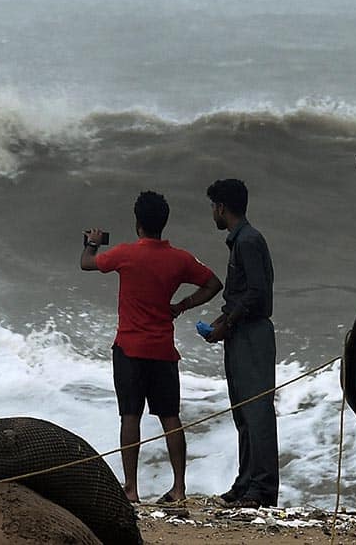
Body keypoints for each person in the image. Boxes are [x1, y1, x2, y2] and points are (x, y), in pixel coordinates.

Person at [81, 190, 222, 504]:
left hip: (130, 349)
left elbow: (86, 264)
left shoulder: (125, 254)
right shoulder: (180, 259)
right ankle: (179, 489)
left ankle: (130, 489)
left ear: (137, 223)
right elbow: (213, 284)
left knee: (130, 417)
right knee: (170, 417)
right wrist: (183, 305)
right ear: (163, 223)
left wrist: (91, 241)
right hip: (162, 351)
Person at [203, 178, 278, 508]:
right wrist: (222, 322)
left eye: (213, 207)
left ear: (221, 207)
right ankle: (246, 481)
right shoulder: (242, 240)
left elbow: (258, 294)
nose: (213, 214)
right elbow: (244, 293)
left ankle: (261, 489)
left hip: (252, 335)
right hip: (240, 333)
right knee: (244, 414)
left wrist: (228, 322)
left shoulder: (248, 241)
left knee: (257, 412)